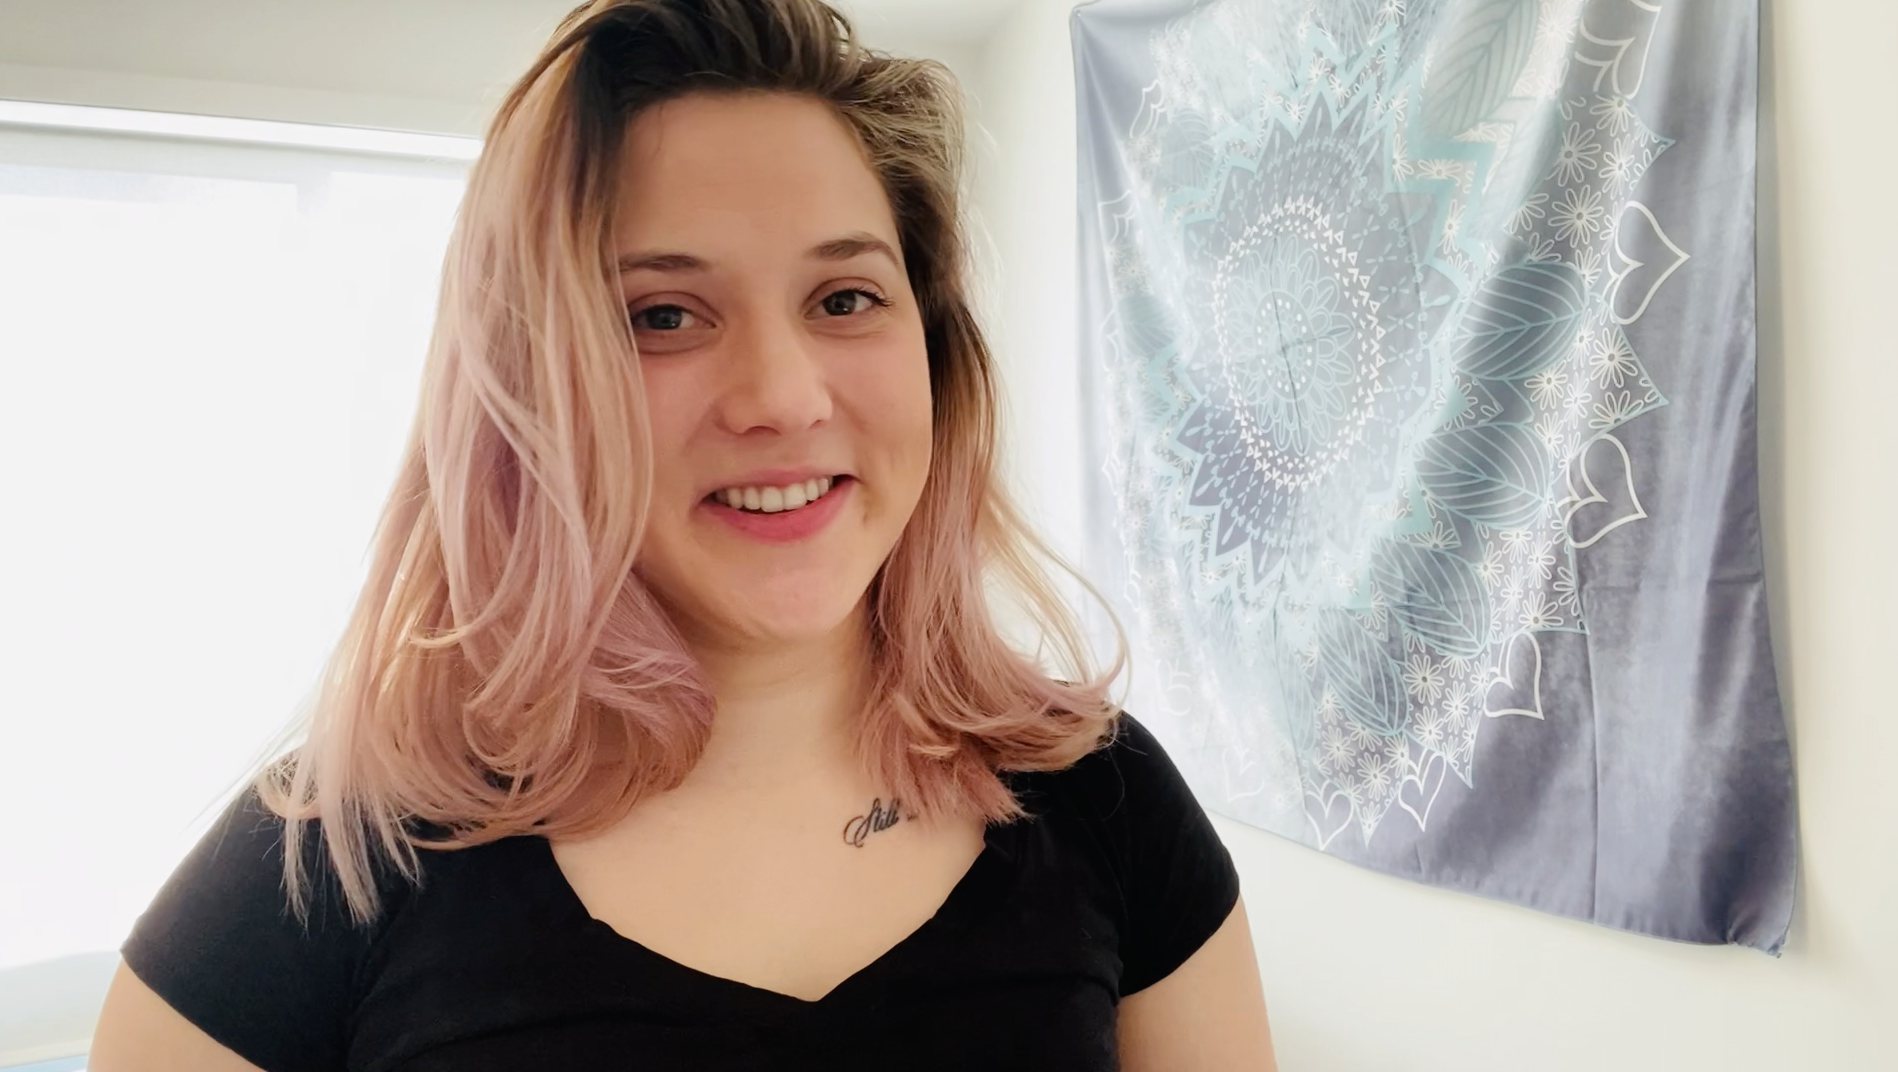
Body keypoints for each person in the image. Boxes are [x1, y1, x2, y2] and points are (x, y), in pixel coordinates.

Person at [87, 1, 1277, 1068]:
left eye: (844, 297)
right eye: (661, 314)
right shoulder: (333, 860)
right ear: (528, 386)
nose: (782, 395)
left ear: (934, 349)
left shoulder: (1104, 797)